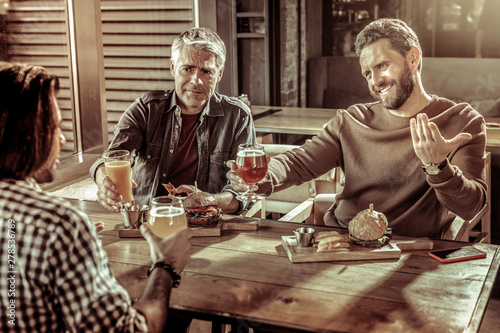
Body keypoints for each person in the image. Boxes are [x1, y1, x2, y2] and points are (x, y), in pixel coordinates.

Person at [228, 18, 487, 238]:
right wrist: (260, 177)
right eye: (367, 73)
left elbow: (471, 206)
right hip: (340, 240)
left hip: (409, 253)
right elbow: (299, 162)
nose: (375, 81)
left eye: (382, 66)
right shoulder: (352, 120)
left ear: (413, 58)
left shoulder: (462, 120)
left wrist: (438, 166)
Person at [0, 62, 192, 332]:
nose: (64, 139)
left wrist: (73, 247)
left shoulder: (56, 226)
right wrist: (166, 265)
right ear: (28, 138)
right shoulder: (58, 224)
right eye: (56, 128)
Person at [90, 27, 256, 213]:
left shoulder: (238, 116)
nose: (196, 81)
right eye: (188, 68)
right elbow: (109, 159)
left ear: (219, 74)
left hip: (209, 224)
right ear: (172, 68)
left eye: (206, 71)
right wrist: (104, 180)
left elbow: (242, 195)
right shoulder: (146, 109)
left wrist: (209, 200)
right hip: (147, 220)